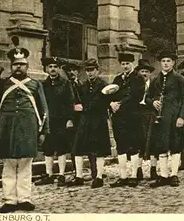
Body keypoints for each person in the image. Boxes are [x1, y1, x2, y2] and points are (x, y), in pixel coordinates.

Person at [0, 46, 49, 213]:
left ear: (27, 66)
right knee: (9, 166)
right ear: (11, 66)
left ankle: (24, 199)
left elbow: (44, 110)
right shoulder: (2, 84)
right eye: (15, 65)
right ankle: (10, 200)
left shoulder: (35, 85)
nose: (18, 67)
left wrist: (43, 131)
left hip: (28, 131)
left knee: (26, 165)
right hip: (7, 131)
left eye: (22, 64)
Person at [147, 51, 184, 188]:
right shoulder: (155, 80)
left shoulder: (179, 79)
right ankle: (164, 175)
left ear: (173, 63)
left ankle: (174, 175)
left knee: (175, 146)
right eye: (163, 61)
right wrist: (153, 102)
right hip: (160, 119)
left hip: (174, 117)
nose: (165, 63)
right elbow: (147, 97)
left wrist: (181, 117)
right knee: (161, 146)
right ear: (160, 63)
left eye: (168, 61)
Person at [67, 59, 111, 189]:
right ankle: (79, 177)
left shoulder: (104, 86)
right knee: (79, 147)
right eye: (87, 70)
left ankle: (98, 177)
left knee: (99, 150)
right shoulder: (82, 86)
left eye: (92, 70)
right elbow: (76, 101)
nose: (90, 73)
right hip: (85, 119)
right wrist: (76, 107)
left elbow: (107, 101)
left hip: (99, 119)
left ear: (97, 71)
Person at [35, 57, 74, 187]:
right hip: (48, 121)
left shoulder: (65, 83)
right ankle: (49, 174)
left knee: (61, 148)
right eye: (50, 66)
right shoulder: (42, 85)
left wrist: (70, 119)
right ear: (46, 69)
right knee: (48, 148)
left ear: (58, 69)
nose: (53, 69)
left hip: (61, 120)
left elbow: (70, 102)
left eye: (55, 67)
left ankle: (62, 174)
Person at [108, 53, 145, 188]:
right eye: (123, 64)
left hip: (132, 116)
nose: (125, 66)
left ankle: (134, 176)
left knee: (134, 145)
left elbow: (136, 96)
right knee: (121, 145)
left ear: (132, 64)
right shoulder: (117, 79)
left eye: (127, 64)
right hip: (118, 117)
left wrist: (120, 104)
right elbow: (109, 93)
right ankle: (123, 176)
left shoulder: (138, 79)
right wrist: (111, 103)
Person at [136, 59, 159, 181]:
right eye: (142, 71)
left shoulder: (155, 84)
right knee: (140, 142)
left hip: (151, 115)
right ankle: (138, 170)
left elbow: (157, 97)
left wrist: (152, 102)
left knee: (153, 142)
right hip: (138, 115)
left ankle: (153, 170)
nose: (144, 74)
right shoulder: (135, 84)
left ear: (150, 73)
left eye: (146, 71)